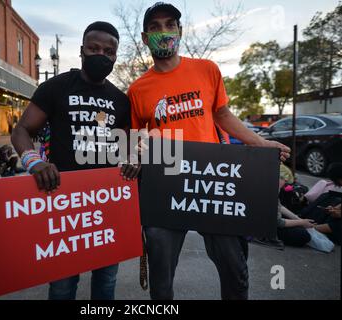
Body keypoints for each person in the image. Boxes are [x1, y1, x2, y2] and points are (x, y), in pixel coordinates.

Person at [124, 2, 291, 300]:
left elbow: (223, 116)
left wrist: (263, 145)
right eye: (154, 27)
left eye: (170, 24)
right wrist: (135, 154)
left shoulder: (207, 70)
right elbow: (138, 136)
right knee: (161, 285)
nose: (163, 31)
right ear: (144, 36)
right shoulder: (138, 89)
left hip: (212, 184)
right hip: (165, 186)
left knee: (235, 271)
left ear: (180, 30)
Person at [11, 22, 131, 300]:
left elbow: (126, 147)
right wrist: (34, 162)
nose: (101, 55)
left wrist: (133, 160)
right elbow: (21, 131)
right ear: (82, 51)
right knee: (63, 285)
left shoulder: (120, 100)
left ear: (115, 56)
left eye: (109, 51)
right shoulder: (56, 87)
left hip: (106, 205)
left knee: (106, 280)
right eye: (94, 48)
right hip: (63, 202)